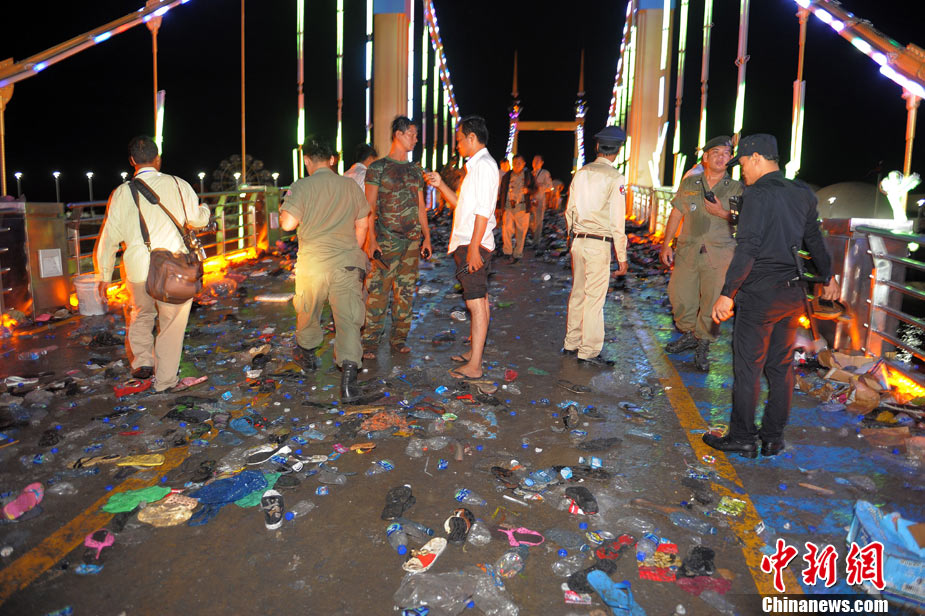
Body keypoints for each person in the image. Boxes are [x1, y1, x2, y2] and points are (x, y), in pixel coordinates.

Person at [704, 134, 839, 458]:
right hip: (792, 295)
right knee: (781, 368)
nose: (742, 171)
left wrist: (727, 293)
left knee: (748, 369)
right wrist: (828, 276)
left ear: (756, 158)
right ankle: (773, 438)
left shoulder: (756, 195)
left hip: (759, 296)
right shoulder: (802, 192)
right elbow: (814, 240)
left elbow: (748, 247)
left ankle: (742, 438)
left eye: (743, 163)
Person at [94, 135, 210, 392]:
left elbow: (109, 238)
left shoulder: (121, 192)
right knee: (171, 324)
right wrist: (206, 210)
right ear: (158, 158)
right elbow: (197, 220)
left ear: (132, 160)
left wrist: (104, 275)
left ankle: (143, 363)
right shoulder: (179, 184)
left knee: (140, 314)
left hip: (138, 269)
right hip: (173, 269)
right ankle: (165, 381)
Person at [279, 139, 370, 402]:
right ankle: (349, 385)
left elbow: (287, 224)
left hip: (313, 264)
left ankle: (308, 357)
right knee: (348, 319)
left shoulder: (301, 186)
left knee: (308, 311)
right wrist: (352, 251)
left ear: (307, 160)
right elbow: (363, 224)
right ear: (332, 160)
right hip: (346, 262)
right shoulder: (350, 186)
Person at [660, 135, 743, 371]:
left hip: (720, 254)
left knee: (712, 301)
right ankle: (690, 333)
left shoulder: (736, 188)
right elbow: (676, 213)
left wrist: (722, 213)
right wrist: (666, 244)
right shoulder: (689, 183)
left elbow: (741, 220)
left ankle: (704, 341)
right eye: (716, 153)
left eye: (726, 154)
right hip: (688, 250)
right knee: (679, 296)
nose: (721, 157)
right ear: (705, 157)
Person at [425, 116, 498, 380]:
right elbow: (461, 205)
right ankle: (475, 354)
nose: (457, 145)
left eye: (459, 140)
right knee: (481, 299)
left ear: (471, 138)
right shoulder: (475, 167)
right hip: (469, 242)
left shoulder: (484, 167)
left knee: (475, 302)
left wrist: (474, 249)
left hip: (472, 244)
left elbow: (483, 212)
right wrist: (440, 184)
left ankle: (475, 366)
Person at [362, 116, 432, 359]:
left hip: (411, 242)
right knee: (378, 292)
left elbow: (421, 206)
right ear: (398, 135)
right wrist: (371, 240)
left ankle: (399, 339)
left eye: (416, 135)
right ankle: (370, 342)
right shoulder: (378, 168)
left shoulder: (415, 170)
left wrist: (427, 237)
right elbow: (369, 207)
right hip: (386, 241)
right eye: (411, 134)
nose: (415, 139)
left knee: (405, 293)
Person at [562, 126, 629, 367]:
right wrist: (621, 256)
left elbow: (569, 210)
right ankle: (588, 350)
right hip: (599, 244)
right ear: (618, 151)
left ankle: (571, 342)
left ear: (597, 147)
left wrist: (571, 236)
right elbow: (617, 221)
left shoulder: (581, 173)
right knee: (594, 299)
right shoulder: (615, 177)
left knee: (577, 293)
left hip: (579, 241)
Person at [498, 153, 535, 263]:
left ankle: (518, 253)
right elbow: (502, 191)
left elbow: (535, 188)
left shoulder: (528, 176)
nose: (517, 165)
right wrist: (500, 207)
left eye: (519, 163)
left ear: (523, 164)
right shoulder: (507, 176)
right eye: (514, 163)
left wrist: (528, 191)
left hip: (522, 207)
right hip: (509, 207)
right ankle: (507, 251)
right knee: (506, 230)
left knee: (521, 232)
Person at [529, 154, 553, 251]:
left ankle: (536, 242)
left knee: (538, 222)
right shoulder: (530, 173)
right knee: (529, 221)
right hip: (530, 201)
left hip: (539, 200)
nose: (535, 163)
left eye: (538, 161)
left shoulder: (545, 173)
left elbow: (550, 187)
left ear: (542, 163)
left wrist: (541, 186)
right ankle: (533, 237)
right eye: (534, 160)